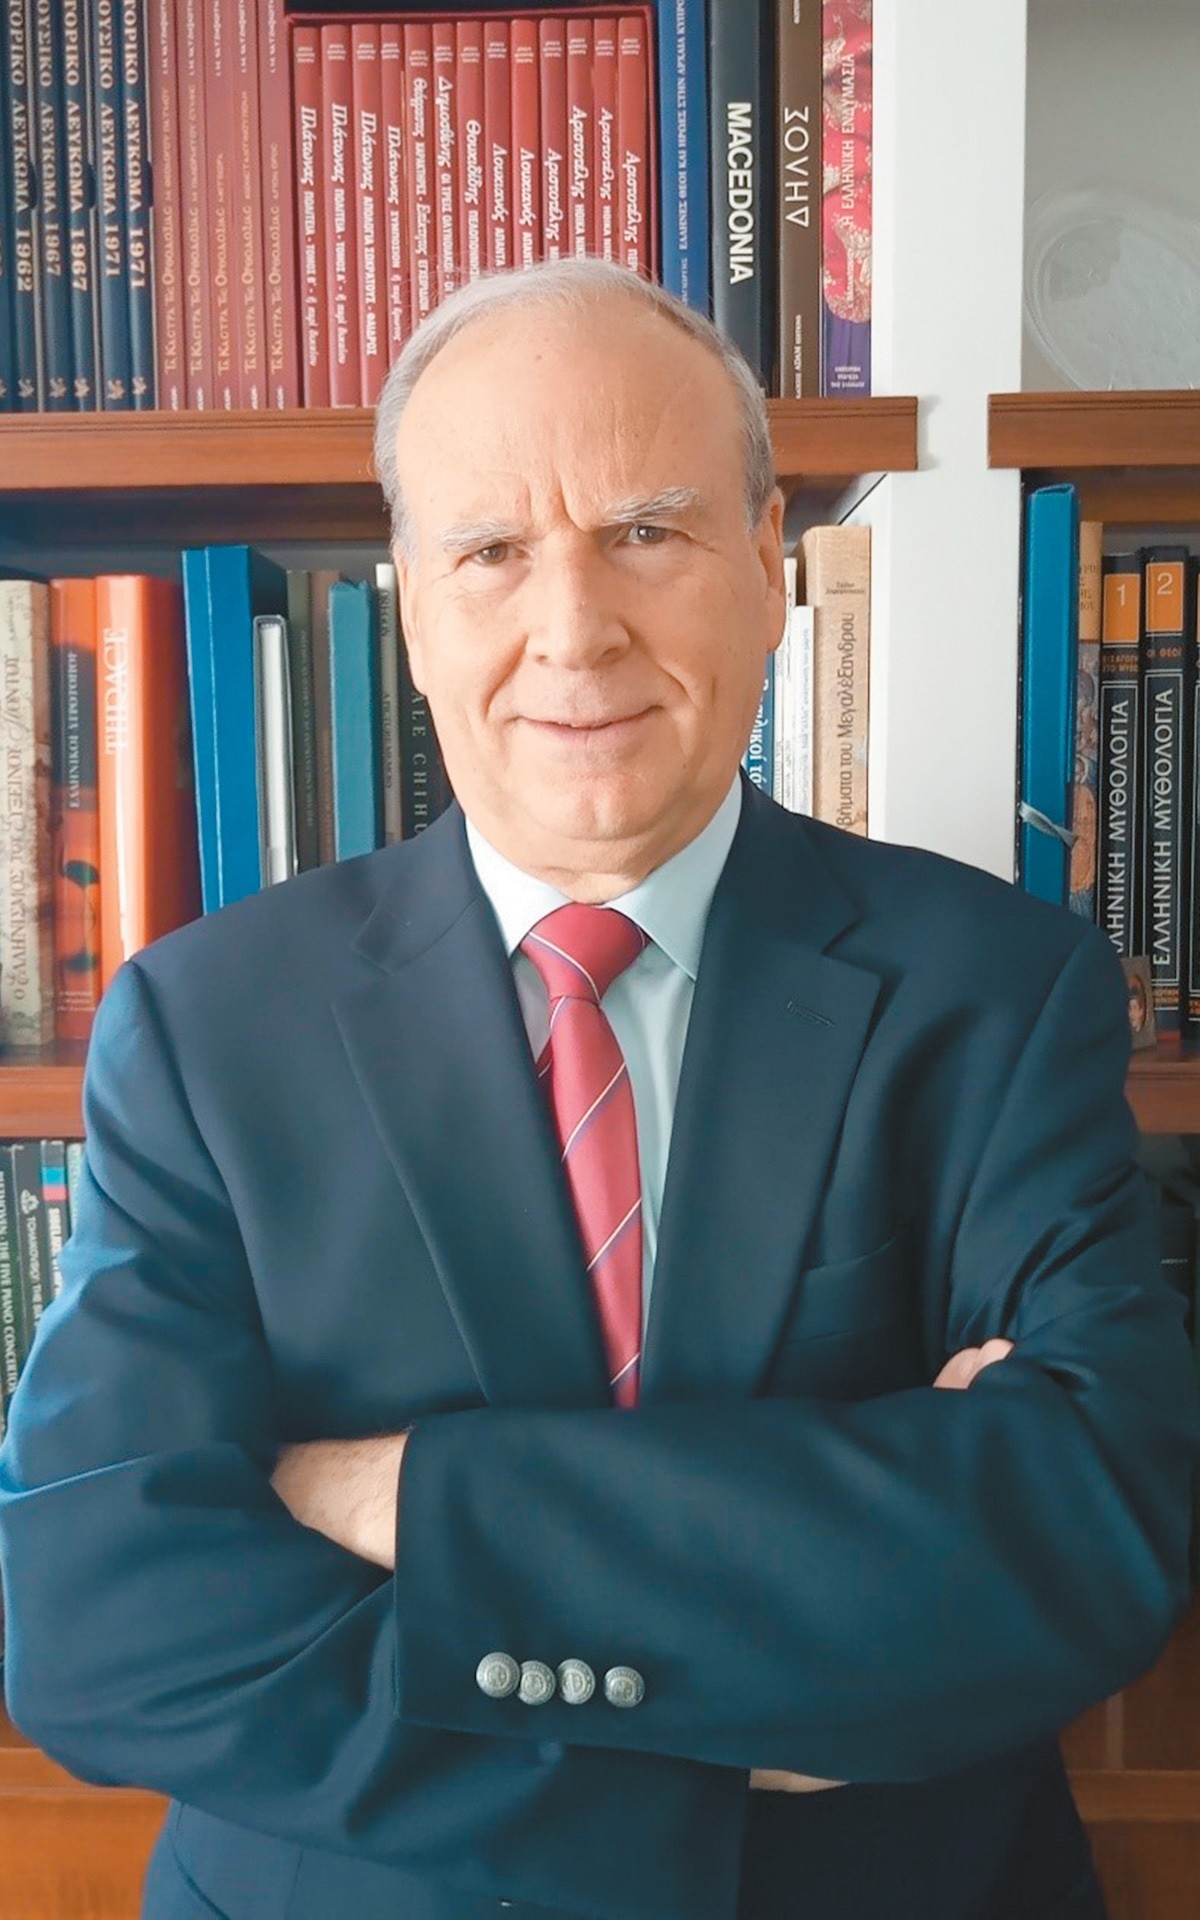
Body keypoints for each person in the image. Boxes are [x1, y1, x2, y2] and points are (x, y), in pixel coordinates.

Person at [0, 259, 1196, 1920]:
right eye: (492, 551)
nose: (575, 630)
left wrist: (400, 1496)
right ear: (415, 612)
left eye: (645, 530)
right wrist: (716, 1725)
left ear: (767, 568)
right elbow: (96, 1625)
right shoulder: (205, 1029)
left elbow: (1091, 1539)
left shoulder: (999, 989)